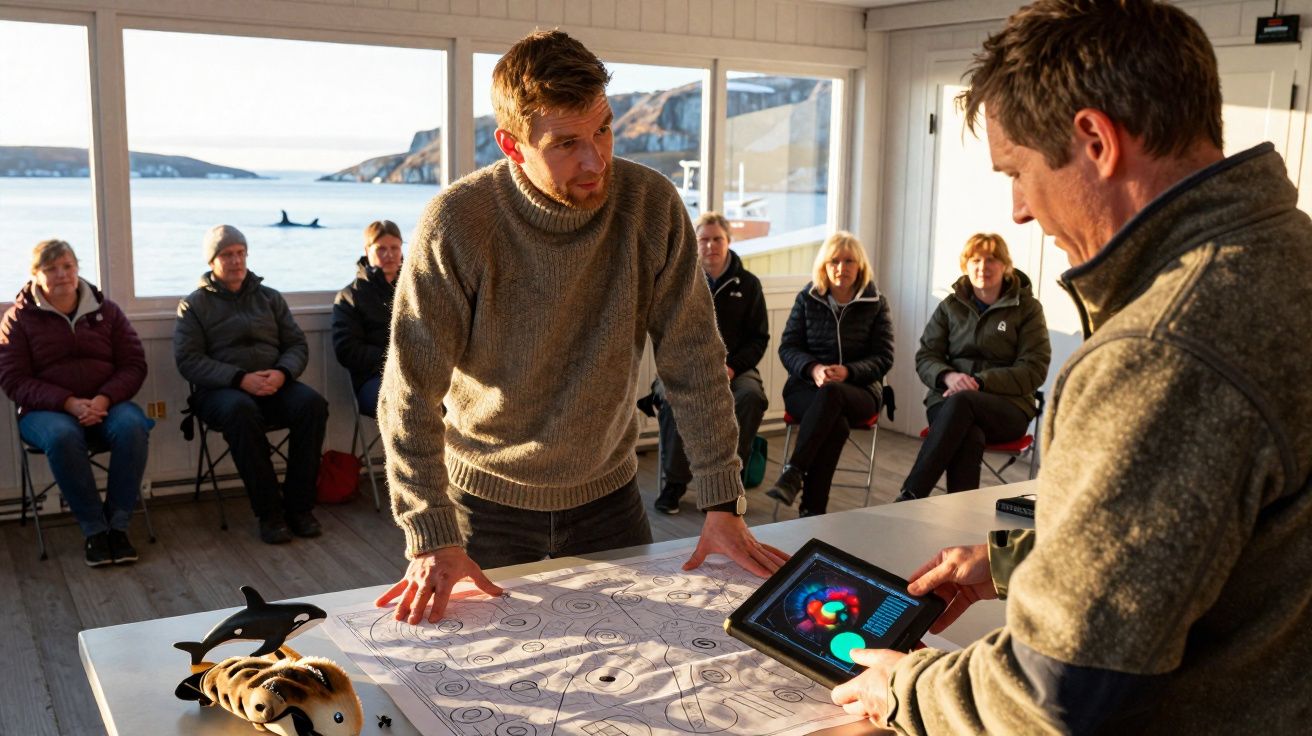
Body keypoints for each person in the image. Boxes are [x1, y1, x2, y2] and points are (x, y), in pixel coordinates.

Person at [829, 1, 1312, 732]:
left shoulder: (1161, 351)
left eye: (1017, 171)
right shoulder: (1288, 256)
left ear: (1094, 140)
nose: (1018, 211)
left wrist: (910, 688)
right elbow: (1229, 546)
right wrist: (1020, 563)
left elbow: (1057, 692)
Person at [374, 30, 787, 625]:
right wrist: (430, 532)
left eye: (603, 129)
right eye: (566, 143)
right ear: (512, 146)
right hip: (482, 509)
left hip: (610, 503)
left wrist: (723, 500)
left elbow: (694, 360)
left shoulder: (652, 205)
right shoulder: (457, 222)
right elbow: (408, 391)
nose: (596, 161)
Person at [174, 225, 329, 545]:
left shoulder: (270, 298)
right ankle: (270, 513)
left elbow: (297, 345)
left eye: (241, 253)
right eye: (227, 255)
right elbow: (189, 361)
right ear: (212, 261)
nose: (236, 260)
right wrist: (238, 379)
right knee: (241, 411)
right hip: (222, 392)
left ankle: (299, 507)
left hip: (273, 382)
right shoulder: (194, 305)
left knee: (312, 405)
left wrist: (283, 373)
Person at [0, 239, 152, 566]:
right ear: (35, 275)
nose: (62, 275)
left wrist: (103, 398)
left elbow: (134, 365)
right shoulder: (18, 320)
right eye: (51, 269)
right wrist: (68, 403)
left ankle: (118, 526)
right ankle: (95, 530)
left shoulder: (106, 311)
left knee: (133, 426)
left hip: (107, 403)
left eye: (67, 266)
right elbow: (14, 380)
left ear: (77, 268)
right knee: (62, 436)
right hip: (46, 413)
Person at [897, 233, 1050, 501]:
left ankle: (911, 495)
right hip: (947, 401)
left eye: (991, 259)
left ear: (1006, 265)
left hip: (1006, 408)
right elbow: (926, 357)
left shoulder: (1027, 309)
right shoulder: (949, 307)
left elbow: (1034, 369)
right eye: (975, 260)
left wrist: (980, 382)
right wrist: (948, 376)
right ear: (965, 266)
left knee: (964, 403)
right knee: (969, 435)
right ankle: (961, 525)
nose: (983, 267)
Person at [766, 231, 894, 516]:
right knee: (835, 425)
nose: (841, 268)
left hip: (859, 391)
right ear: (824, 265)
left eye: (849, 261)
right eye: (834, 261)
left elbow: (884, 356)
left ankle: (794, 472)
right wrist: (814, 369)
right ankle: (812, 510)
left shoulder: (875, 302)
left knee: (833, 393)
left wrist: (848, 371)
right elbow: (788, 347)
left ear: (860, 266)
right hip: (806, 387)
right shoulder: (808, 297)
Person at [653, 211, 769, 515]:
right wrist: (689, 368)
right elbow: (663, 331)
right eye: (704, 239)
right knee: (671, 396)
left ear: (728, 241)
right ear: (695, 243)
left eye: (717, 239)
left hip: (736, 368)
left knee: (751, 397)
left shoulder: (749, 284)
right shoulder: (678, 281)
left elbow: (759, 338)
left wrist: (731, 368)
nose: (710, 245)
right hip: (685, 367)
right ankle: (675, 484)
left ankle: (730, 483)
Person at [332, 220, 404, 417]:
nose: (389, 255)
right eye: (381, 249)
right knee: (408, 403)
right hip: (374, 379)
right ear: (367, 250)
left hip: (422, 373)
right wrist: (394, 360)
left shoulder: (417, 289)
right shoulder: (350, 296)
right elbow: (347, 350)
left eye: (394, 248)